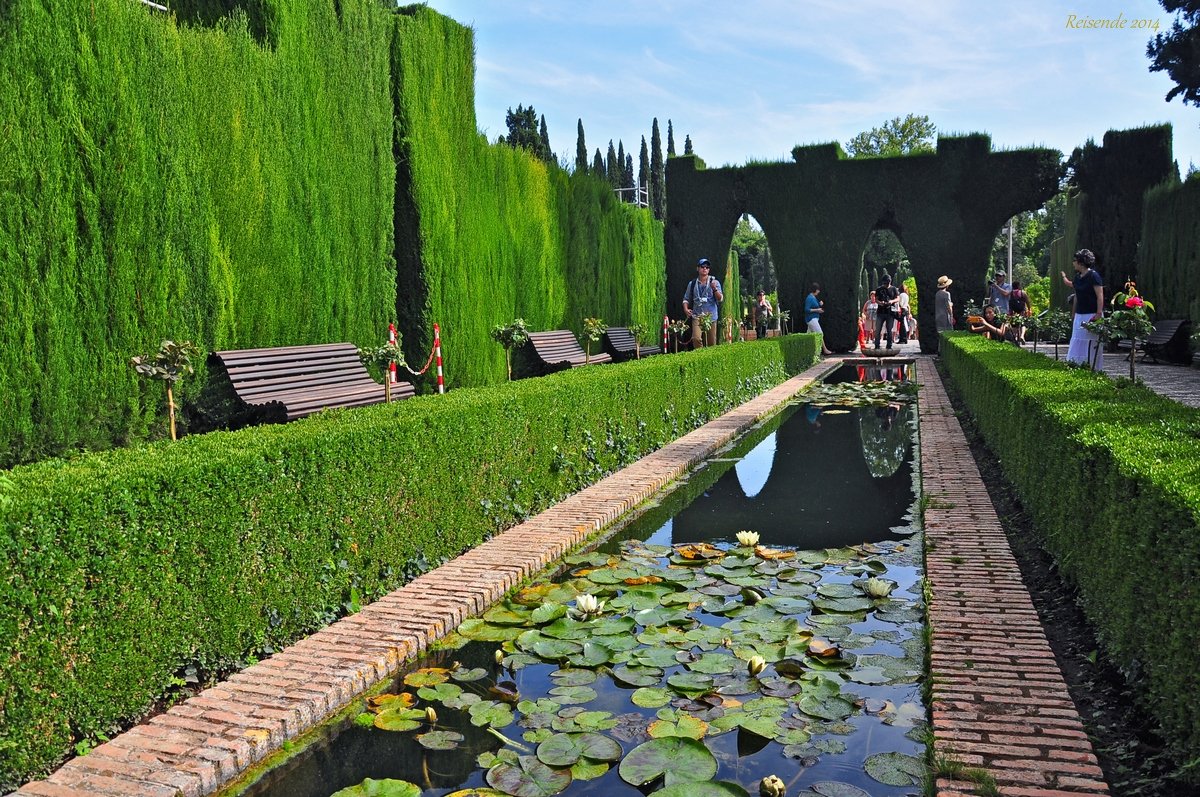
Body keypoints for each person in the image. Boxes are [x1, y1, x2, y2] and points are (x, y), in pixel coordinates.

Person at [1061, 248, 1104, 369]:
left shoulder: (1093, 276)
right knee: (1077, 340)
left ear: (1081, 262)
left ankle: (1092, 368)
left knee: (1091, 342)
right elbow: (1076, 295)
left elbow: (1100, 295)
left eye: (1075, 260)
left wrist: (1098, 313)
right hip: (1080, 315)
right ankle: (1076, 366)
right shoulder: (1078, 277)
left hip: (1092, 314)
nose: (1073, 263)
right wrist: (1073, 313)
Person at [682, 257, 723, 348]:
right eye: (702, 266)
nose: (705, 268)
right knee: (696, 338)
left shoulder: (715, 282)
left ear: (709, 270)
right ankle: (700, 355)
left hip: (711, 316)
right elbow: (686, 299)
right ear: (698, 268)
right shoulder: (692, 284)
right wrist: (685, 309)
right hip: (697, 316)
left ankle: (709, 359)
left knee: (712, 342)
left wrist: (714, 289)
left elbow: (720, 299)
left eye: (707, 267)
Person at [804, 282, 833, 355]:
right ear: (815, 290)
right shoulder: (809, 298)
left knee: (809, 336)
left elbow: (816, 305)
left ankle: (807, 352)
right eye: (818, 290)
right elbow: (806, 309)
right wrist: (817, 310)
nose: (819, 291)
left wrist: (820, 304)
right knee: (820, 333)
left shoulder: (813, 297)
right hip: (811, 319)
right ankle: (824, 350)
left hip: (814, 319)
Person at [873, 274, 900, 349]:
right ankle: (877, 345)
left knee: (889, 329)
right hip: (880, 312)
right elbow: (876, 299)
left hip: (890, 312)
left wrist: (891, 301)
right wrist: (880, 303)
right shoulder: (879, 289)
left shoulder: (894, 289)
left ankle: (889, 345)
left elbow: (898, 298)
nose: (886, 284)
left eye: (887, 283)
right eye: (885, 283)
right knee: (878, 329)